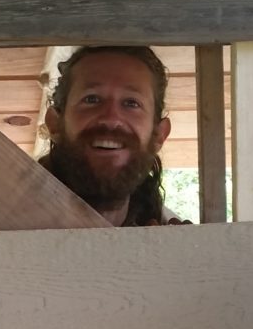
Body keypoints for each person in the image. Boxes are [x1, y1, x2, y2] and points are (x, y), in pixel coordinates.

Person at [40, 45, 187, 226]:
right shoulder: (2, 209)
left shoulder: (166, 240)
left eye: (131, 103)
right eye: (91, 99)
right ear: (55, 124)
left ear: (159, 135)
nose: (111, 119)